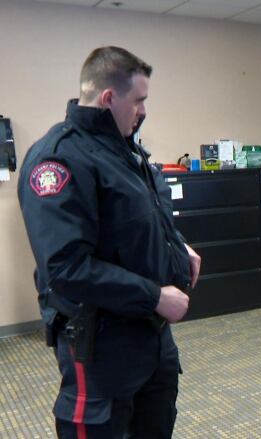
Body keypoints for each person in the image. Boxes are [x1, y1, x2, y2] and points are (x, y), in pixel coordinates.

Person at [17, 46, 199, 438]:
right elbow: (66, 268)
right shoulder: (60, 159)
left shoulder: (125, 149)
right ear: (108, 98)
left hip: (150, 337)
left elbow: (144, 218)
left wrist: (178, 247)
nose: (144, 110)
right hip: (101, 344)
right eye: (139, 100)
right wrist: (154, 296)